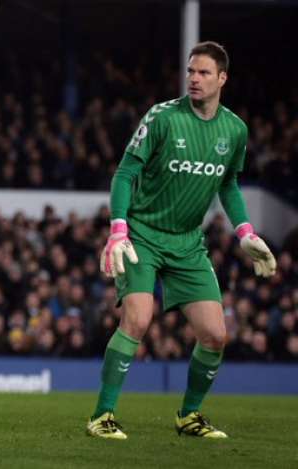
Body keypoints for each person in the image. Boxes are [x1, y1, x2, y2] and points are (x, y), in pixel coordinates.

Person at [86, 41, 277, 440]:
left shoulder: (235, 130)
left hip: (189, 243)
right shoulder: (162, 117)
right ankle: (102, 416)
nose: (194, 78)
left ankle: (189, 416)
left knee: (215, 335)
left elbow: (229, 185)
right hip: (143, 235)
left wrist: (245, 232)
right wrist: (118, 227)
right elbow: (124, 174)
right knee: (137, 319)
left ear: (222, 78)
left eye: (204, 72)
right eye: (191, 71)